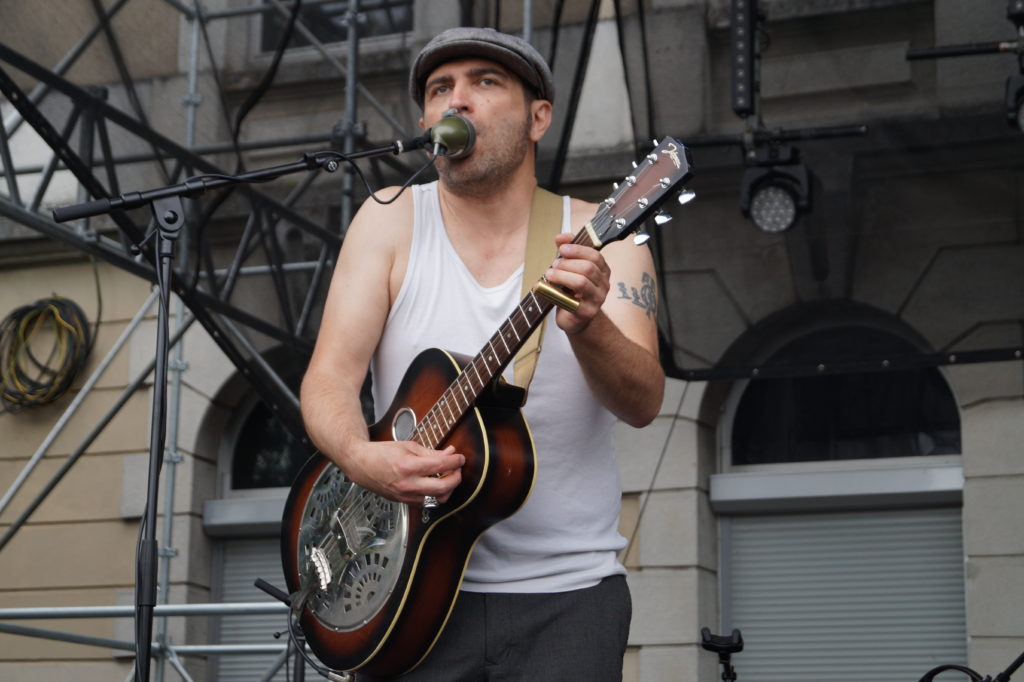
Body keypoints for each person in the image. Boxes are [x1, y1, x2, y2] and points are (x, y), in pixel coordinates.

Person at [300, 27, 664, 681]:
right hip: (403, 592)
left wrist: (590, 328)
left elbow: (643, 402)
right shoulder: (387, 220)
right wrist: (360, 458)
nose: (457, 100)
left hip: (568, 598)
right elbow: (328, 378)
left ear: (538, 117)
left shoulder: (609, 243)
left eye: (485, 82)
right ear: (424, 121)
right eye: (441, 88)